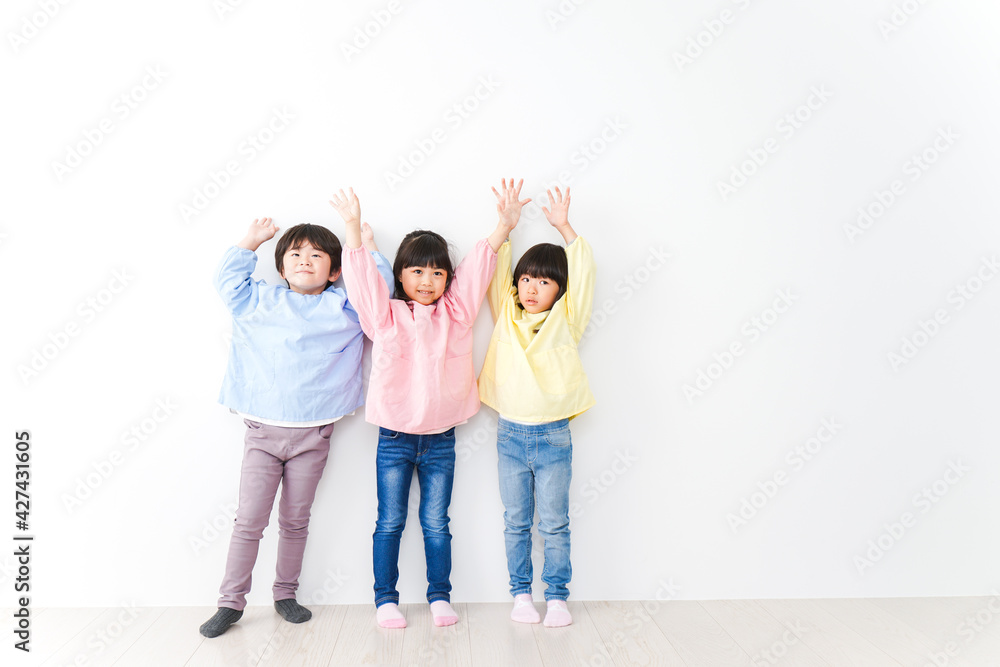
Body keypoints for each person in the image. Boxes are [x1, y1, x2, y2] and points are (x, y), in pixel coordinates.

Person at [330, 181, 525, 628]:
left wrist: (503, 227)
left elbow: (476, 271)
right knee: (390, 522)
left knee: (437, 522)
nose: (427, 281)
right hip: (395, 438)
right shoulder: (385, 315)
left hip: (440, 439)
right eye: (417, 271)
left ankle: (440, 596)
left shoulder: (456, 313)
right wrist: (353, 228)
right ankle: (385, 600)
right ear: (400, 276)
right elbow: (362, 283)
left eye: (437, 273)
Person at [199, 217, 392, 638]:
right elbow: (226, 281)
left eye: (317, 255)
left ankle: (285, 593)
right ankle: (230, 602)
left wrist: (370, 248)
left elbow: (378, 293)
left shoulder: (345, 307)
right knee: (249, 521)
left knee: (295, 520)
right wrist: (251, 240)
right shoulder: (259, 300)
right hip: (262, 432)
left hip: (314, 435)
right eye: (296, 254)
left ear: (335, 271)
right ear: (281, 268)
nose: (305, 260)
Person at [477, 185, 595, 627]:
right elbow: (495, 270)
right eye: (527, 278)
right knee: (516, 521)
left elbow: (583, 273)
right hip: (510, 434)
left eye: (544, 281)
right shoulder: (506, 313)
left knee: (555, 523)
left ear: (559, 290)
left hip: (552, 435)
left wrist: (564, 227)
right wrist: (506, 226)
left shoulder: (567, 319)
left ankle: (558, 598)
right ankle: (521, 595)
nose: (532, 287)